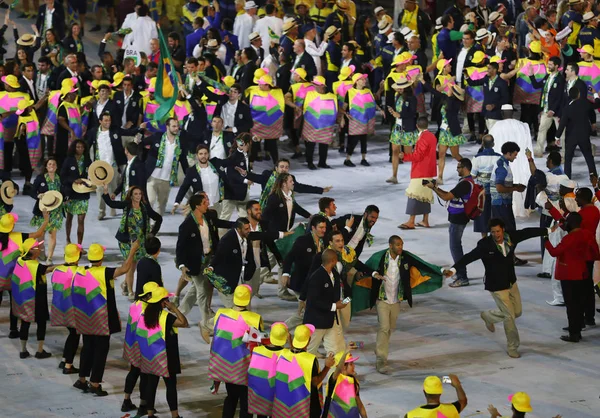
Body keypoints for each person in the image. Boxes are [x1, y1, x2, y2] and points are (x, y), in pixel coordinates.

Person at [444, 219, 549, 358]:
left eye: (498, 231)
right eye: (493, 232)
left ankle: (488, 316)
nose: (496, 234)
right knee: (509, 317)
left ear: (503, 230)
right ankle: (512, 347)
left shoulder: (510, 238)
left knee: (517, 312)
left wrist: (547, 230)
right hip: (496, 285)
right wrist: (454, 269)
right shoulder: (485, 245)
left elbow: (527, 233)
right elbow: (469, 257)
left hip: (511, 282)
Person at [72, 240, 139, 396]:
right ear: (101, 258)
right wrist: (133, 250)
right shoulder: (105, 272)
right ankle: (95, 383)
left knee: (87, 347)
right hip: (101, 319)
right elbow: (125, 268)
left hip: (85, 317)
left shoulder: (81, 270)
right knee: (101, 350)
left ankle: (82, 379)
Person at [176, 193, 232, 337]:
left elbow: (220, 223)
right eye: (205, 202)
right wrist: (182, 266)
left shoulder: (209, 215)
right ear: (197, 206)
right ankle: (206, 321)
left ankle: (180, 312)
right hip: (195, 263)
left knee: (195, 289)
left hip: (209, 259)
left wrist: (236, 224)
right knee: (202, 291)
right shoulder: (187, 225)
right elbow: (180, 247)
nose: (208, 204)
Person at [208, 284, 263, 418]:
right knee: (246, 402)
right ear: (248, 299)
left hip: (226, 367)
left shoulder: (221, 314)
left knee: (231, 397)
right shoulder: (254, 319)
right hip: (245, 368)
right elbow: (258, 344)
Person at [545, 212, 600, 342]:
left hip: (569, 274)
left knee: (571, 305)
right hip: (583, 272)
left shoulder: (569, 238)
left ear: (570, 223)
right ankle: (579, 326)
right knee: (580, 302)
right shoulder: (587, 234)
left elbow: (554, 252)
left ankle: (574, 333)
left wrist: (546, 242)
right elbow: (596, 253)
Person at [136, 284, 188, 418]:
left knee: (151, 385)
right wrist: (174, 308)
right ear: (163, 301)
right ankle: (175, 415)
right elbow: (184, 323)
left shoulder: (144, 314)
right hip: (166, 356)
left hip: (150, 355)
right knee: (171, 386)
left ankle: (150, 414)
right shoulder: (166, 317)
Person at [101, 185, 162, 299]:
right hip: (126, 240)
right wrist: (105, 192)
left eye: (140, 194)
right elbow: (112, 204)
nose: (138, 196)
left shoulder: (144, 207)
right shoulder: (127, 205)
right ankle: (130, 291)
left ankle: (125, 284)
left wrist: (152, 233)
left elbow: (158, 218)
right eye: (135, 194)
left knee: (133, 265)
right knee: (131, 265)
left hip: (140, 241)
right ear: (131, 196)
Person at [425, 159, 476, 288]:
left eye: (458, 167)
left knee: (456, 248)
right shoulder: (466, 181)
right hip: (458, 217)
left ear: (465, 168)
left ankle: (463, 276)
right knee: (456, 247)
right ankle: (460, 273)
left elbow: (447, 196)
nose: (456, 169)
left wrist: (434, 188)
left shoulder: (464, 184)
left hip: (459, 218)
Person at [11, 238, 60, 359]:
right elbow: (48, 269)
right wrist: (64, 265)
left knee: (25, 322)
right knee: (41, 322)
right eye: (38, 247)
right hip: (36, 298)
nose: (40, 248)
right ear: (32, 251)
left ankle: (23, 350)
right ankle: (39, 350)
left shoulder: (20, 260)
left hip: (22, 298)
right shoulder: (34, 266)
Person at [272, 324, 334, 418]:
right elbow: (315, 382)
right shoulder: (310, 359)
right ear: (308, 341)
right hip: (306, 406)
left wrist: (290, 342)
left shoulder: (283, 354)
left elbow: (294, 355)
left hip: (286, 404)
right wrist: (327, 367)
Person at [301, 249, 346, 356]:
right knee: (309, 352)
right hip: (316, 322)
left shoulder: (333, 273)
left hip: (329, 320)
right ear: (333, 260)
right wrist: (335, 306)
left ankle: (334, 372)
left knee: (334, 350)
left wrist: (345, 300)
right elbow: (314, 301)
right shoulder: (317, 277)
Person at [140, 117, 187, 215]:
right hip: (152, 177)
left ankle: (155, 226)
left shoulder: (181, 142)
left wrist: (190, 174)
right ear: (167, 127)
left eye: (177, 126)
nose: (176, 128)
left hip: (167, 180)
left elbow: (183, 161)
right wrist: (140, 130)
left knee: (161, 206)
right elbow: (141, 144)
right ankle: (147, 226)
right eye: (174, 126)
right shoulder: (157, 136)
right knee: (150, 201)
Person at [398, 117, 437, 230]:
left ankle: (411, 221)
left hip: (421, 171)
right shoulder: (432, 136)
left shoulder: (423, 137)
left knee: (413, 195)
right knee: (425, 196)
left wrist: (405, 156)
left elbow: (418, 155)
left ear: (417, 126)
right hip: (429, 171)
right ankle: (425, 220)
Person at [87, 112, 126, 220]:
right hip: (99, 166)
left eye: (109, 120)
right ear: (100, 121)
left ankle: (112, 208)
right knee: (100, 189)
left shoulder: (115, 130)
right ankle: (101, 211)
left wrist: (139, 129)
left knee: (112, 188)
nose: (108, 122)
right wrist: (88, 163)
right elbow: (87, 146)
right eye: (106, 120)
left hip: (112, 164)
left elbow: (127, 132)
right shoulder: (94, 132)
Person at [51, 243, 82, 374]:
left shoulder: (56, 270)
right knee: (75, 335)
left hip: (58, 308)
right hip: (72, 310)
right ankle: (68, 365)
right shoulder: (79, 273)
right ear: (77, 257)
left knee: (72, 334)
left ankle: (64, 359)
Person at [247, 322, 289, 417]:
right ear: (286, 338)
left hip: (261, 394)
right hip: (278, 397)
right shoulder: (287, 355)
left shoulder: (257, 350)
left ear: (270, 335)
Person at [341, 73, 383, 167]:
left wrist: (380, 109)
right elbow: (345, 106)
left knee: (364, 139)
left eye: (364, 79)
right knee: (353, 139)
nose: (365, 81)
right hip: (354, 119)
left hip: (366, 119)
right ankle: (347, 159)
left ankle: (363, 158)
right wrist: (342, 118)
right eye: (362, 79)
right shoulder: (350, 92)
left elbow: (373, 102)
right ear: (356, 81)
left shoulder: (368, 91)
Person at [556, 87, 597, 178]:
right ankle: (595, 179)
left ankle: (567, 181)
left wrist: (557, 137)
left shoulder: (567, 108)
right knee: (589, 158)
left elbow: (562, 123)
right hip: (584, 136)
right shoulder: (585, 103)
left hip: (571, 137)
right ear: (579, 94)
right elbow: (598, 104)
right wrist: (595, 93)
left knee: (568, 160)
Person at [172, 145, 226, 214]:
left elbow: (230, 161)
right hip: (201, 206)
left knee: (216, 224)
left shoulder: (216, 165)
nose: (203, 156)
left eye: (205, 153)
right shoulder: (191, 171)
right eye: (201, 154)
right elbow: (184, 188)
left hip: (216, 205)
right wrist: (177, 202)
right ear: (197, 155)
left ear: (208, 154)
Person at [528, 56, 564, 157]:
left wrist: (553, 110)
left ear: (557, 66)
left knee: (562, 133)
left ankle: (564, 153)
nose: (549, 66)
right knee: (542, 130)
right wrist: (531, 75)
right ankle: (539, 150)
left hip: (556, 112)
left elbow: (560, 97)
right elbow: (536, 86)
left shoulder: (560, 79)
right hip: (546, 109)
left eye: (551, 64)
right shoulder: (547, 77)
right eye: (548, 64)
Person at [29, 157, 63, 263]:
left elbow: (64, 191)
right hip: (43, 210)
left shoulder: (60, 178)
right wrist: (38, 195)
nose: (51, 166)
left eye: (53, 164)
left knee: (53, 234)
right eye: (49, 164)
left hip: (56, 210)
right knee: (41, 234)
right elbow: (32, 192)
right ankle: (42, 252)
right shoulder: (40, 178)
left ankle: (50, 258)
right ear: (46, 167)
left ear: (56, 167)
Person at [60, 139, 91, 247]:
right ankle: (68, 240)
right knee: (69, 218)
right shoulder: (69, 160)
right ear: (74, 148)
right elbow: (63, 176)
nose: (80, 149)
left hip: (83, 193)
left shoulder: (87, 160)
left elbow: (92, 173)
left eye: (82, 147)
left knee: (81, 220)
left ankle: (79, 245)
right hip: (71, 194)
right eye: (78, 147)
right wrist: (73, 180)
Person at [321, 351, 368, 417]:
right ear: (343, 366)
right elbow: (338, 370)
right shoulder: (334, 379)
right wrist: (345, 352)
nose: (354, 366)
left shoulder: (354, 381)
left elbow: (359, 404)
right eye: (351, 364)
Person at [471, 134, 501, 236]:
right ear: (493, 144)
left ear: (482, 144)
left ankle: (484, 239)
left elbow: (473, 175)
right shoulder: (499, 158)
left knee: (483, 216)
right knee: (495, 215)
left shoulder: (477, 158)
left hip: (482, 192)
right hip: (495, 191)